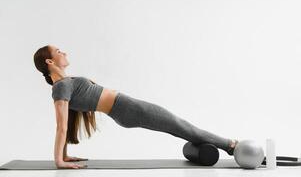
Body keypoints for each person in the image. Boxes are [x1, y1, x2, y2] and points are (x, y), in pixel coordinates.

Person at [33, 45, 239, 169]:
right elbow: (61, 126)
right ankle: (231, 145)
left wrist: (65, 154)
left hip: (125, 109)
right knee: (180, 125)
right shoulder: (61, 87)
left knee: (178, 127)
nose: (65, 51)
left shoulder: (65, 84)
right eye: (59, 51)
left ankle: (228, 145)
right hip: (127, 109)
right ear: (50, 61)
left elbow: (67, 123)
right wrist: (59, 161)